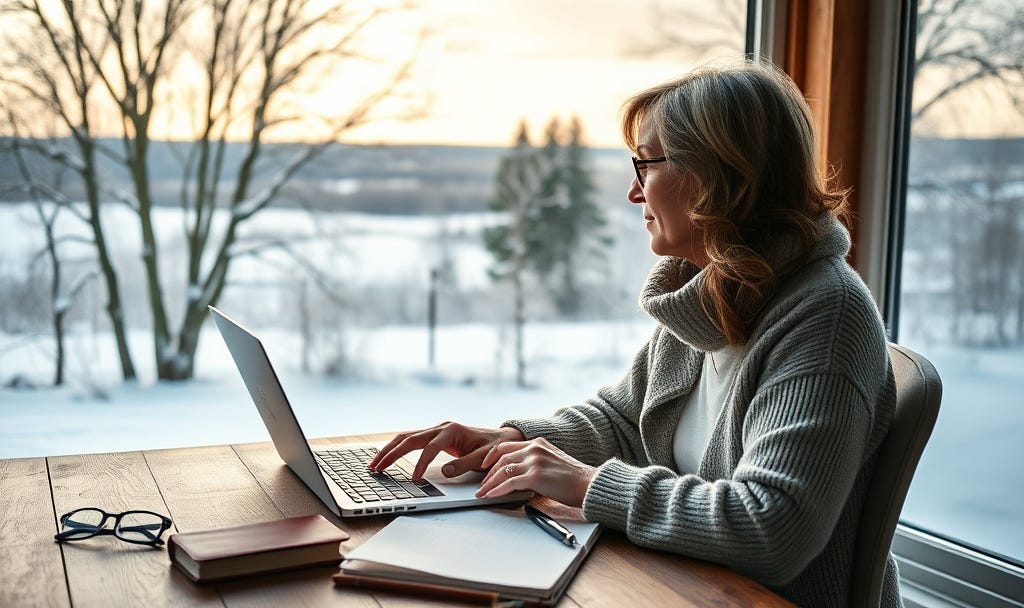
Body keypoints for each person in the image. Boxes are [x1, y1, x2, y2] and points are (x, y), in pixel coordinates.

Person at [369, 60, 899, 607]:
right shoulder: (715, 289)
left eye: (646, 165)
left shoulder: (824, 318)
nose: (633, 193)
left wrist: (587, 485)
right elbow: (624, 419)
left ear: (719, 176)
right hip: (680, 586)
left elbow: (771, 528)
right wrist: (515, 440)